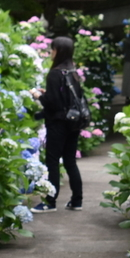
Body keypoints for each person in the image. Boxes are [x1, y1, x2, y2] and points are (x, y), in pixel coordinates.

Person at [33, 36, 84, 213]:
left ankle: (50, 201)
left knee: (52, 162)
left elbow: (52, 103)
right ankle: (77, 200)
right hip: (73, 122)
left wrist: (39, 96)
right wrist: (49, 94)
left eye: (53, 49)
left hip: (58, 123)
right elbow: (71, 98)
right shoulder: (73, 72)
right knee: (70, 160)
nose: (51, 52)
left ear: (59, 51)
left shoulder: (55, 73)